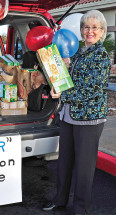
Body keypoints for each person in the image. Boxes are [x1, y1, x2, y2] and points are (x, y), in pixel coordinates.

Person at [42, 10, 111, 215]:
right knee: (64, 161)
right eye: (86, 27)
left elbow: (90, 90)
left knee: (83, 167)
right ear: (81, 30)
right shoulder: (80, 52)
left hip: (89, 119)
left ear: (102, 32)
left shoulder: (101, 56)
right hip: (69, 115)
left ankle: (81, 208)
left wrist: (62, 96)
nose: (89, 31)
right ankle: (60, 200)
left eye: (94, 28)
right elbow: (71, 82)